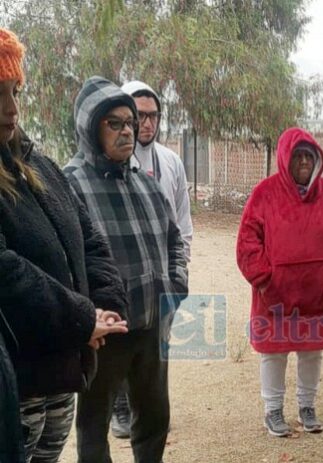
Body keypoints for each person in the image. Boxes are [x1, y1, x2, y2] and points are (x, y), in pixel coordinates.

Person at [0, 29, 128, 463]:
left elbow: (88, 237)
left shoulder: (39, 163)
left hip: (63, 372)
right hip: (16, 380)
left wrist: (103, 310)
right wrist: (81, 319)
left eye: (15, 92)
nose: (11, 110)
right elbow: (5, 272)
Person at [64, 76, 188, 463]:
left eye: (130, 123)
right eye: (113, 123)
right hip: (105, 331)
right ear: (90, 127)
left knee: (154, 417)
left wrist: (176, 284)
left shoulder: (146, 185)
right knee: (94, 424)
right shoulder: (70, 185)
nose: (127, 131)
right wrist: (87, 314)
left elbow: (174, 240)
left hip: (153, 325)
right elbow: (66, 259)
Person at [237, 127, 323, 437]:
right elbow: (248, 242)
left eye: (309, 155)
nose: (304, 161)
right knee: (274, 352)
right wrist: (265, 279)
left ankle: (307, 406)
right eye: (298, 156)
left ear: (317, 159)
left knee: (311, 351)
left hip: (320, 294)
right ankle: (273, 410)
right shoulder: (264, 194)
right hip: (275, 296)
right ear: (285, 159)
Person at [108, 80, 194, 439]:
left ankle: (152, 410)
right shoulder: (111, 161)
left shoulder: (171, 162)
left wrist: (178, 278)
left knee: (157, 351)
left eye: (153, 116)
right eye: (139, 116)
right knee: (119, 347)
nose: (146, 124)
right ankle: (121, 408)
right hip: (120, 277)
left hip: (162, 280)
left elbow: (183, 224)